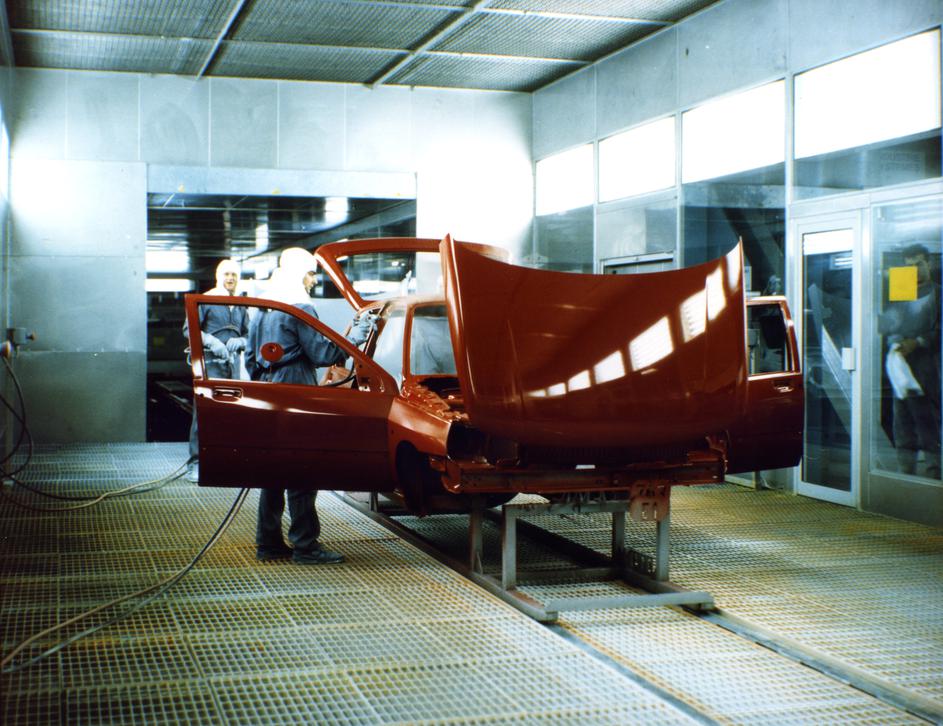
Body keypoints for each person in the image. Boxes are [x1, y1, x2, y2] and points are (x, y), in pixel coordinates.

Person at [246, 247, 374, 564]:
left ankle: (268, 544)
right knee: (302, 467)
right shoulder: (300, 306)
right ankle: (306, 546)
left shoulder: (262, 307)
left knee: (273, 471)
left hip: (267, 390)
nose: (314, 281)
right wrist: (357, 336)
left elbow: (250, 359)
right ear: (299, 273)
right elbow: (323, 354)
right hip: (296, 388)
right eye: (311, 274)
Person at [184, 259, 249, 483]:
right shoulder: (206, 299)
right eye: (227, 274)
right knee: (205, 413)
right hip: (211, 365)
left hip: (233, 366)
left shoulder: (240, 304)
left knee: (230, 413)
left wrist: (242, 341)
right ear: (218, 276)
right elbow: (188, 329)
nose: (230, 279)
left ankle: (223, 462)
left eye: (234, 275)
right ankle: (196, 463)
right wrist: (212, 341)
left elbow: (250, 333)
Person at [881, 243, 941, 479]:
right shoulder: (901, 290)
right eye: (909, 266)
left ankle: (934, 476)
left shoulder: (939, 293)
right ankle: (905, 476)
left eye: (918, 264)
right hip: (901, 371)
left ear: (929, 263)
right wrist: (895, 340)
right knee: (903, 424)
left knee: (929, 424)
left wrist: (917, 341)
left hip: (930, 369)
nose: (914, 271)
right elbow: (888, 324)